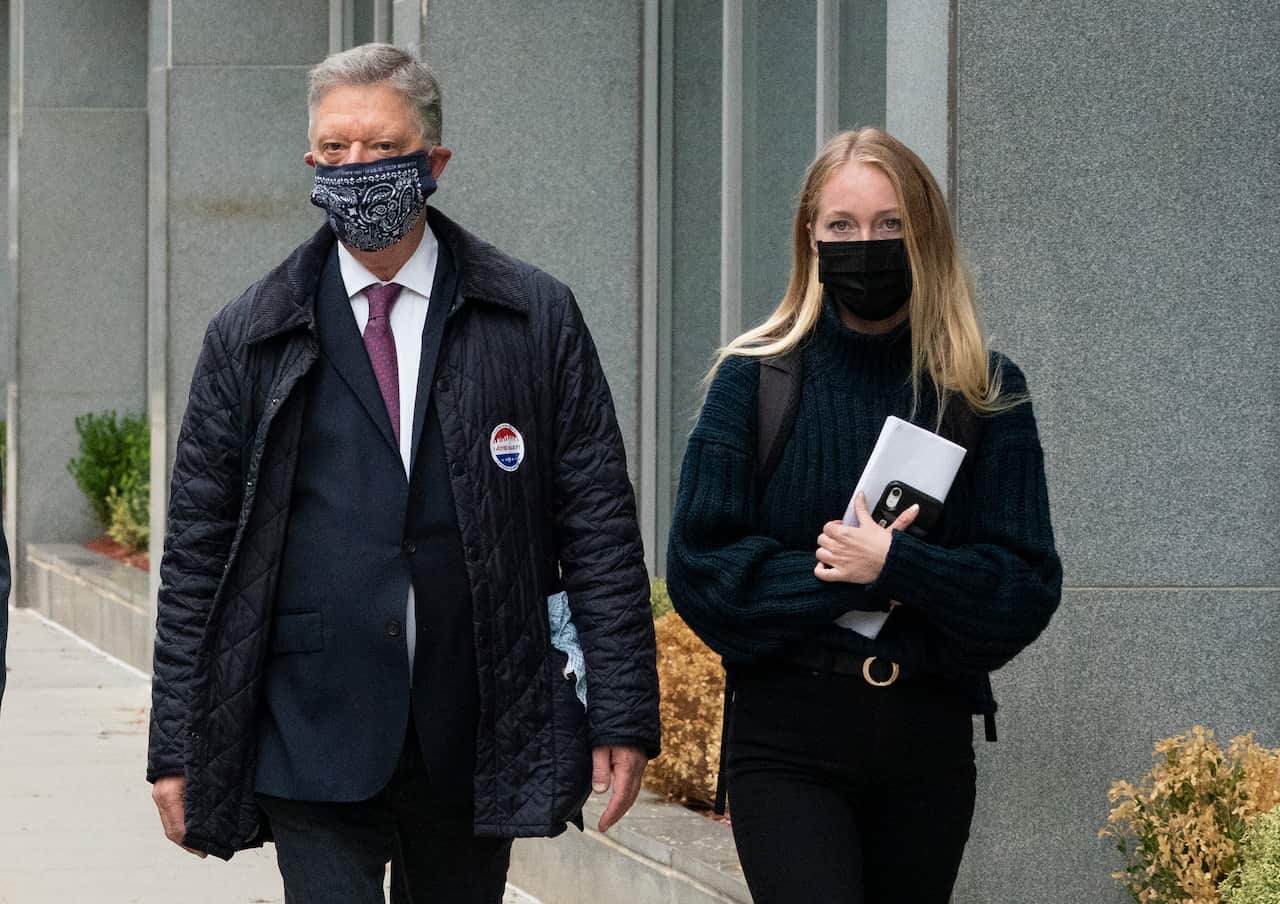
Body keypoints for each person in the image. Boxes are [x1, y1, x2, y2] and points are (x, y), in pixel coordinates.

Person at [146, 43, 660, 903]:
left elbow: (598, 526)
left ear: (435, 163)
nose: (356, 168)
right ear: (311, 165)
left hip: (475, 725)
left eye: (382, 149)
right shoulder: (251, 332)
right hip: (310, 725)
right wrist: (175, 744)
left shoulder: (533, 317)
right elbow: (197, 551)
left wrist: (622, 711)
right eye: (336, 151)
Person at [665, 128, 1062, 903]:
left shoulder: (982, 392)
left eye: (890, 226)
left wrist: (896, 565)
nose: (865, 245)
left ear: (926, 239)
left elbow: (1022, 588)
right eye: (841, 226)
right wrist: (845, 576)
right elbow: (702, 572)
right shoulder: (756, 379)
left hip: (926, 739)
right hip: (786, 737)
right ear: (809, 238)